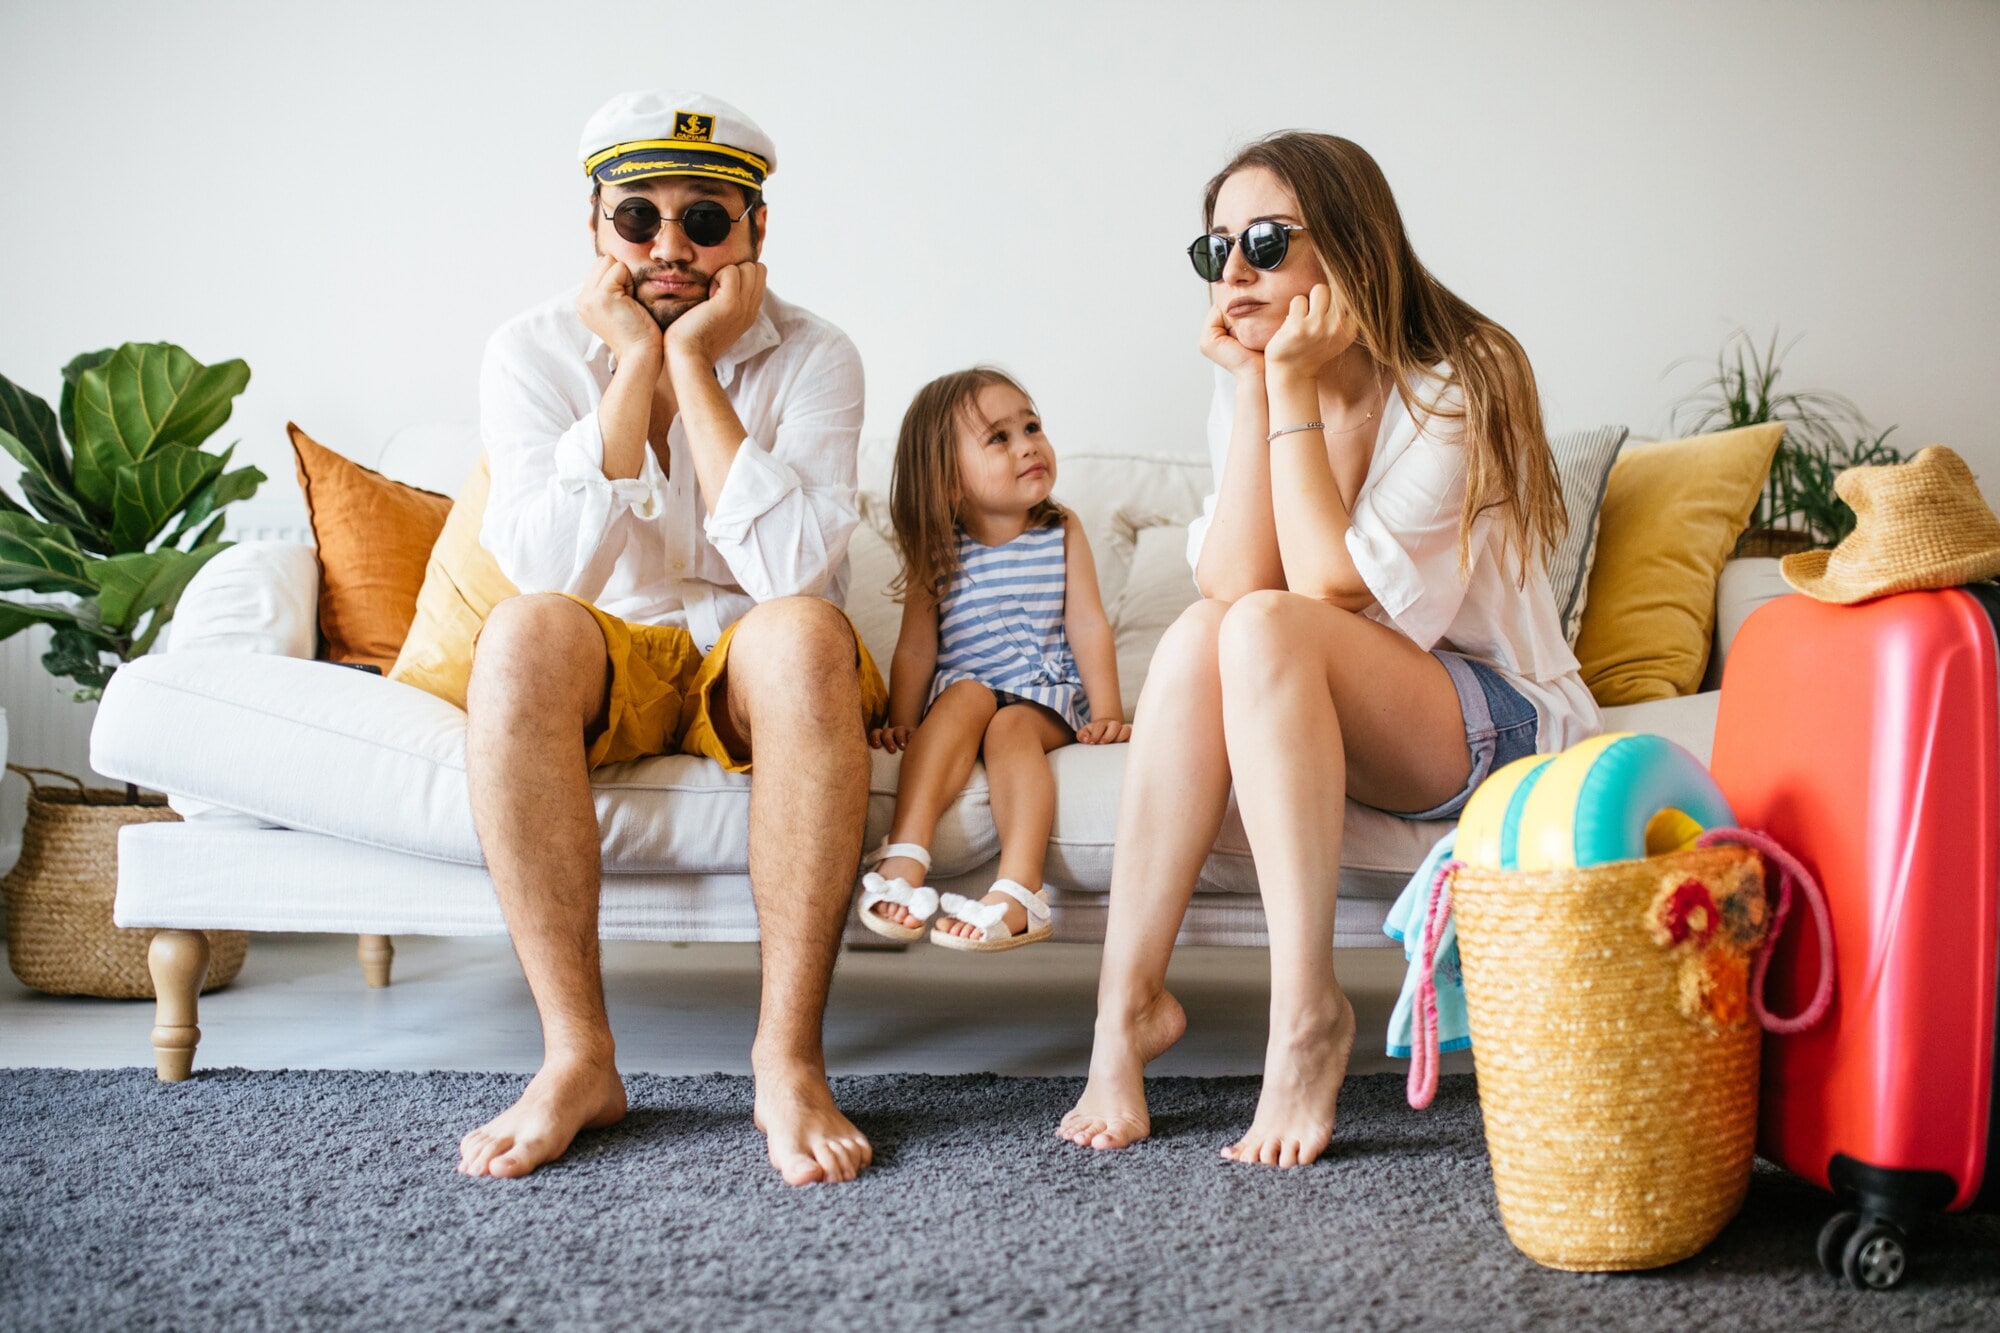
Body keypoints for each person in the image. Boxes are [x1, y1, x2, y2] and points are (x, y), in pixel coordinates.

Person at [1058, 132, 1600, 1167]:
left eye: (1263, 242)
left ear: (1349, 247)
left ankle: (1305, 1015)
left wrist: (1291, 387)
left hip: (1500, 718)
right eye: (1212, 249)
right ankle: (1120, 1010)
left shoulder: (1460, 376)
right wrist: (1260, 388)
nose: (1232, 273)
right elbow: (1228, 583)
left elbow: (1325, 590)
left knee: (1262, 622)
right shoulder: (1257, 376)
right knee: (1199, 629)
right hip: (1345, 701)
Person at [453, 90, 882, 1185]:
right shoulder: (531, 351)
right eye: (637, 218)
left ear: (755, 232)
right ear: (595, 230)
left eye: (704, 219)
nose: (669, 245)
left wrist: (694, 366)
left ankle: (787, 1061)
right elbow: (549, 576)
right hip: (617, 650)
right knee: (519, 634)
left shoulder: (817, 355)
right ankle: (576, 1059)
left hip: (756, 658)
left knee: (798, 633)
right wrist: (631, 366)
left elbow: (792, 577)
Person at [858, 369, 1131, 950]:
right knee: (965, 696)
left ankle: (1018, 891)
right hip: (966, 689)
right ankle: (906, 852)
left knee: (1009, 725)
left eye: (1031, 426)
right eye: (999, 438)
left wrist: (1106, 707)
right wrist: (901, 719)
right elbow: (916, 646)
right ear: (947, 480)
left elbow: (1086, 623)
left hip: (1043, 694)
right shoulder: (938, 546)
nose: (1029, 443)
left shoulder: (1060, 528)